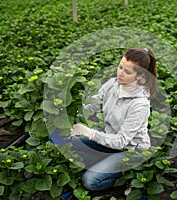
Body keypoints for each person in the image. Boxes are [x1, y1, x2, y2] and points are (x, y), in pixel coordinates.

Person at [53, 47, 157, 192]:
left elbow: (121, 141)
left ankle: (130, 177)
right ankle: (105, 162)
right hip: (109, 143)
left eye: (127, 72)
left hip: (131, 151)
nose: (120, 74)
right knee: (61, 141)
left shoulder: (140, 105)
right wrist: (67, 113)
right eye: (120, 67)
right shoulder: (112, 84)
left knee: (90, 181)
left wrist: (89, 133)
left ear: (139, 76)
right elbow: (91, 106)